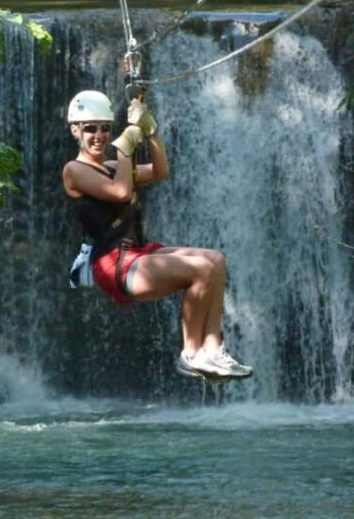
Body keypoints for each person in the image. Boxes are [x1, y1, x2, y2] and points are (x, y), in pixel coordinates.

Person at [62, 90, 252, 380]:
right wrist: (126, 146)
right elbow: (121, 192)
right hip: (113, 264)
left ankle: (212, 348)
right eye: (90, 129)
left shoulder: (112, 167)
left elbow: (161, 171)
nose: (99, 135)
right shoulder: (74, 170)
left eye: (104, 128)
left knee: (215, 260)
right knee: (200, 270)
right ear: (75, 130)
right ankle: (191, 354)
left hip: (136, 253)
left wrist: (150, 132)